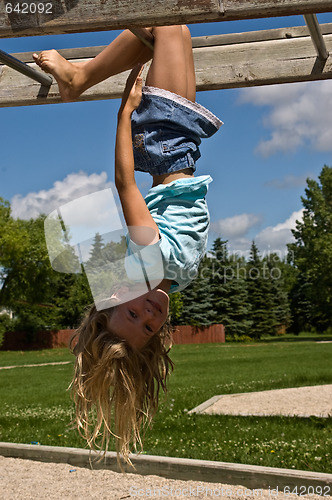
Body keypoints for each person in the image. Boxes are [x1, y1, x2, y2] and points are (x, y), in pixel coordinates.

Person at [33, 26, 222, 465]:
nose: (149, 314)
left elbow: (124, 186)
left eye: (132, 314)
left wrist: (125, 112)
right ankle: (77, 79)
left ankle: (77, 81)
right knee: (168, 31)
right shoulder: (173, 277)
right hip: (184, 146)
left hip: (162, 139)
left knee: (167, 22)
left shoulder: (149, 262)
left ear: (116, 297)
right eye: (149, 327)